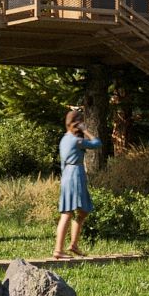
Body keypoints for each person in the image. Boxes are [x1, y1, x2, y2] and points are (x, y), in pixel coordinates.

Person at [53, 107, 103, 259]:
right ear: (76, 124)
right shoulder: (77, 141)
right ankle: (58, 250)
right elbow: (97, 143)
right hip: (75, 174)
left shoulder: (64, 139)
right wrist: (86, 130)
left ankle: (73, 245)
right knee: (67, 213)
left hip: (68, 174)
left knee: (82, 211)